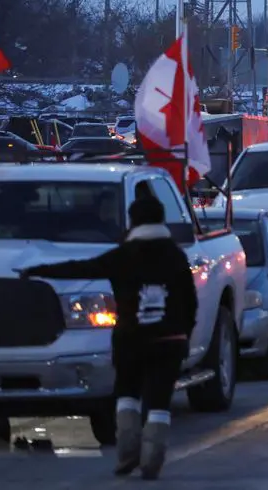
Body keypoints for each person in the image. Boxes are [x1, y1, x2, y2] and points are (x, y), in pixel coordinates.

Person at [18, 195, 197, 480]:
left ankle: (127, 451)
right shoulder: (176, 256)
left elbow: (80, 268)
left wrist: (37, 271)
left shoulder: (122, 256)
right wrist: (185, 334)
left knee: (127, 393)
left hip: (131, 339)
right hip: (170, 340)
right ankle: (153, 458)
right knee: (160, 401)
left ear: (133, 221)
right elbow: (190, 302)